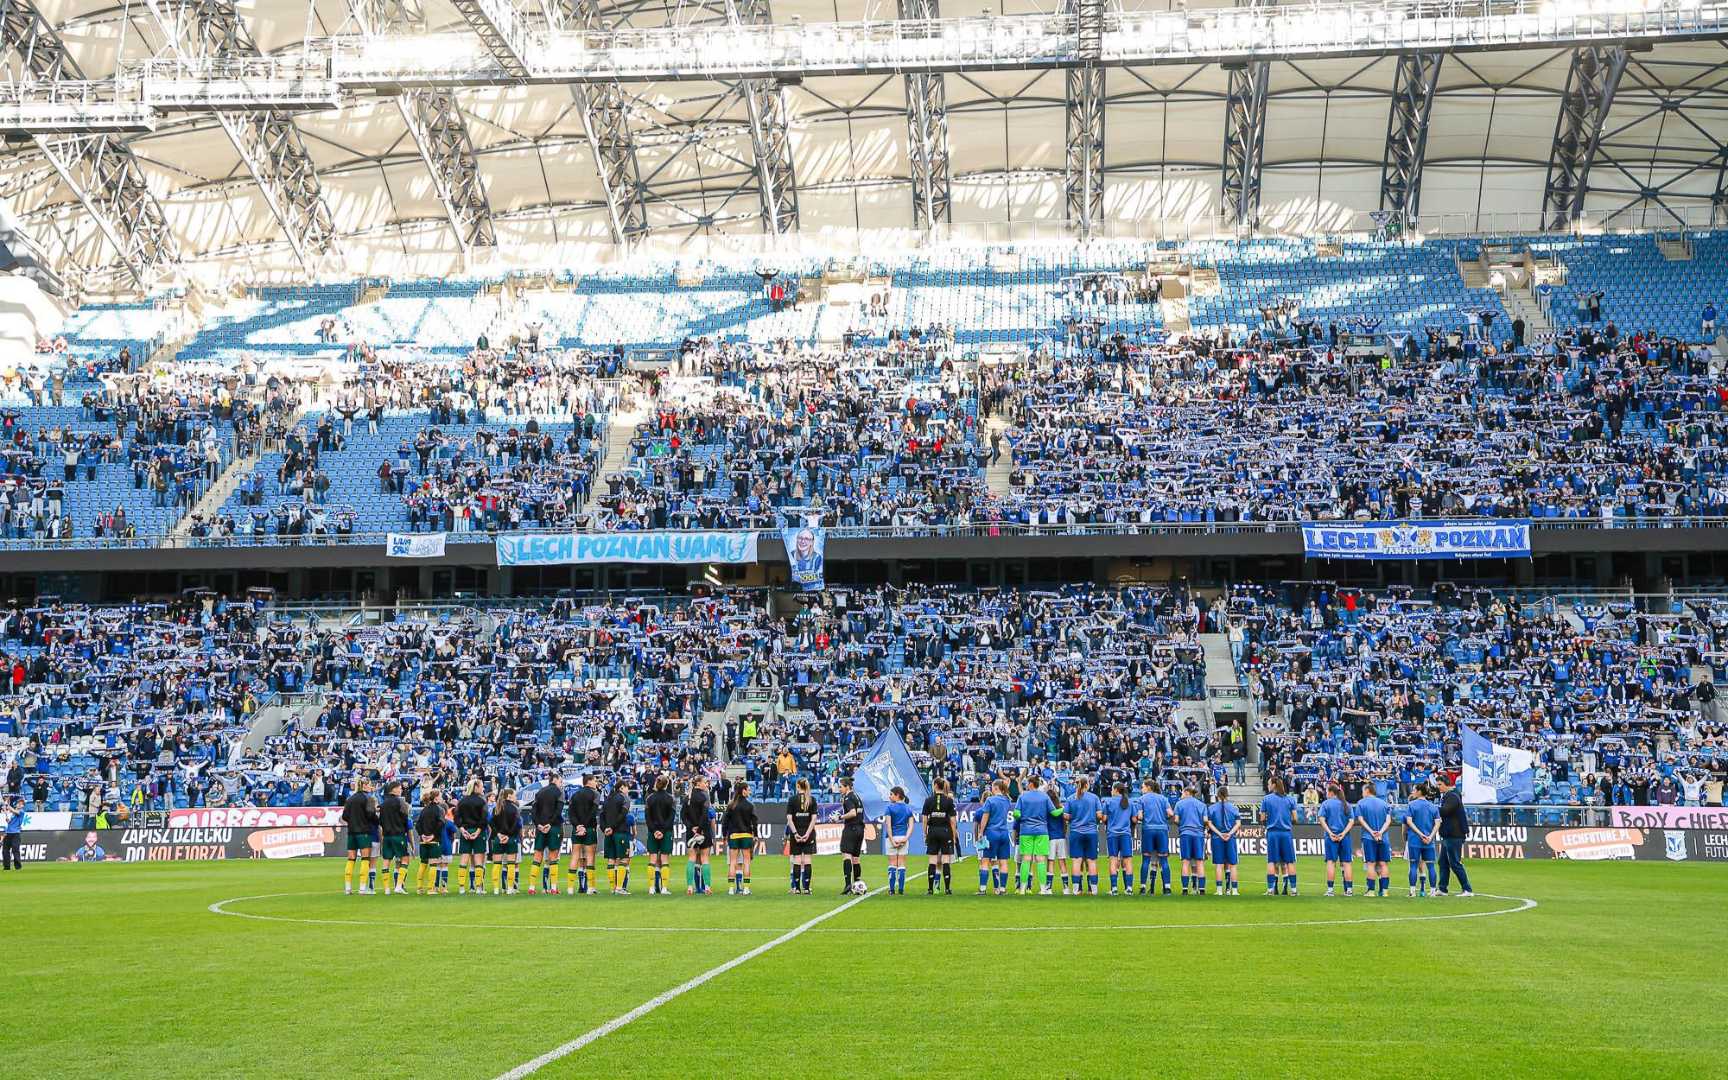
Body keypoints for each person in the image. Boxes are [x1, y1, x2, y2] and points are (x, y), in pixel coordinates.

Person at [1012, 775, 1059, 895]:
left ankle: (1022, 889)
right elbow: (1054, 812)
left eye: (1027, 783)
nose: (1026, 785)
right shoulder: (1044, 796)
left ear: (1031, 784)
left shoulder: (1023, 796)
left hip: (1026, 831)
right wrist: (1064, 808)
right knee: (1040, 859)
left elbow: (1016, 813)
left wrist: (1022, 816)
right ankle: (1043, 889)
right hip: (1042, 831)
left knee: (1026, 859)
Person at [1435, 775, 1474, 897]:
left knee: (1454, 862)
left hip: (1454, 834)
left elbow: (1445, 811)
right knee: (1443, 862)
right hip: (1448, 834)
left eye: (1440, 785)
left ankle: (1467, 889)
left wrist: (1431, 808)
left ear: (1447, 784)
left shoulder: (1452, 796)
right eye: (1437, 785)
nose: (1438, 787)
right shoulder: (1448, 796)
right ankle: (1442, 888)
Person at [1134, 779, 1174, 896]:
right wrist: (1163, 817)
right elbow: (1171, 813)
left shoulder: (1142, 799)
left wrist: (1146, 817)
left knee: (1146, 859)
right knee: (1164, 859)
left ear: (1148, 787)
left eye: (1143, 787)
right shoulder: (1163, 798)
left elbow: (1140, 816)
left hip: (1148, 829)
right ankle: (1167, 888)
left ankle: (1142, 887)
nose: (1141, 789)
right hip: (1162, 830)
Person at [1260, 777, 1298, 896]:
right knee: (1290, 862)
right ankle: (1293, 890)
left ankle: (1270, 889)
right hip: (1286, 833)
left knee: (1272, 861)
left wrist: (1269, 821)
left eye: (1269, 783)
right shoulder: (1290, 799)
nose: (1268, 785)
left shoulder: (1266, 799)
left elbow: (1261, 818)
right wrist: (1286, 821)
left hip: (1272, 833)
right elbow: (1295, 818)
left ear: (1274, 785)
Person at [1354, 782, 1393, 897]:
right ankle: (1385, 891)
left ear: (1367, 790)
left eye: (1362, 791)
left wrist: (1372, 832)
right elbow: (1388, 821)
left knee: (1370, 864)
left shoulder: (1361, 803)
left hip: (1368, 838)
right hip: (1383, 837)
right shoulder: (1384, 803)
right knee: (1383, 864)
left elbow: (1360, 819)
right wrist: (1380, 832)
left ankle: (1371, 891)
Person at [975, 778, 1013, 895]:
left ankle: (982, 889)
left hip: (992, 832)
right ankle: (1002, 889)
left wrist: (981, 832)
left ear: (996, 788)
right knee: (1003, 862)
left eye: (992, 786)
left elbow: (985, 817)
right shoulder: (1007, 800)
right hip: (1004, 832)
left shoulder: (990, 800)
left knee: (985, 861)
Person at [341, 778, 379, 895]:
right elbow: (371, 815)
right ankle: (362, 888)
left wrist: (354, 821)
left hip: (352, 832)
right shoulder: (369, 799)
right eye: (369, 785)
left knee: (351, 859)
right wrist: (377, 820)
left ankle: (348, 888)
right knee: (365, 858)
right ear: (365, 785)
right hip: (364, 832)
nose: (371, 787)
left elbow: (345, 816)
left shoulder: (350, 799)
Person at [1319, 783, 1356, 897]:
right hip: (1345, 837)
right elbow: (1351, 821)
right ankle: (1349, 890)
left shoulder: (1326, 804)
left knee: (1331, 862)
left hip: (1331, 837)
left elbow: (1321, 819)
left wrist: (1330, 833)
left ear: (1331, 792)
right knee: (1347, 863)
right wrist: (1343, 833)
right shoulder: (1346, 804)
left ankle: (1330, 890)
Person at [643, 774, 679, 896]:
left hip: (653, 832)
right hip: (666, 832)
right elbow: (671, 818)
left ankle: (651, 888)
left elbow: (647, 818)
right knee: (664, 859)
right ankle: (664, 888)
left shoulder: (649, 798)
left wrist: (654, 831)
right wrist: (662, 831)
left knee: (652, 859)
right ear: (667, 784)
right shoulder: (671, 799)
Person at [528, 771, 563, 895]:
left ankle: (531, 887)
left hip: (540, 828)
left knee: (537, 856)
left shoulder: (540, 792)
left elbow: (533, 811)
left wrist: (539, 824)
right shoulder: (559, 792)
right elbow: (558, 810)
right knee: (553, 857)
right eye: (560, 781)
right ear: (555, 780)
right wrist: (550, 824)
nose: (561, 783)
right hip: (553, 828)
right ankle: (553, 887)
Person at [566, 773, 601, 896]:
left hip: (577, 829)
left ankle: (570, 888)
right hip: (589, 828)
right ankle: (590, 887)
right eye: (595, 780)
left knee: (575, 856)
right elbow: (593, 812)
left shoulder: (574, 795)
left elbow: (570, 814)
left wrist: (578, 826)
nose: (596, 783)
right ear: (589, 781)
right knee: (590, 857)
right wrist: (585, 826)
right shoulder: (595, 794)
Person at [1066, 776, 1101, 896]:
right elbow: (1100, 815)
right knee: (1091, 861)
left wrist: (1074, 818)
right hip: (1091, 832)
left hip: (1076, 832)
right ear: (1087, 785)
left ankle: (1076, 890)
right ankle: (1094, 890)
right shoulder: (1094, 798)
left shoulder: (1071, 798)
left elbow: (1066, 816)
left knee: (1076, 861)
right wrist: (1092, 819)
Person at [922, 777, 957, 895]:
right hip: (945, 831)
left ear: (936, 785)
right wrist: (953, 835)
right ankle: (947, 889)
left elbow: (925, 819)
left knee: (932, 860)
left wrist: (925, 833)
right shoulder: (949, 800)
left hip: (932, 831)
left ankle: (930, 889)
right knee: (945, 859)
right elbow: (953, 820)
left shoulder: (928, 800)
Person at [1404, 784, 1440, 897]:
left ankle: (1412, 891)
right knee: (1431, 866)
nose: (1413, 792)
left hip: (1415, 840)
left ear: (1419, 791)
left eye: (1414, 790)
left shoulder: (1411, 805)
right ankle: (1433, 891)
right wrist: (1430, 836)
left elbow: (1409, 822)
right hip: (1429, 841)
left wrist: (1420, 834)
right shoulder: (1433, 806)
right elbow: (1438, 823)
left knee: (1413, 865)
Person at [454, 780, 489, 895]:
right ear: (476, 787)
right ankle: (478, 888)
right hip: (478, 832)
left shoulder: (462, 801)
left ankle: (462, 888)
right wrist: (478, 832)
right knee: (479, 861)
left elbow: (457, 818)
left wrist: (462, 830)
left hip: (466, 832)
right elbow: (484, 818)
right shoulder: (482, 801)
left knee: (464, 860)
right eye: (482, 786)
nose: (483, 789)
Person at [1204, 785, 1240, 896]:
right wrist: (1229, 833)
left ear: (1217, 795)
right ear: (1227, 795)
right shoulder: (1234, 808)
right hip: (1230, 838)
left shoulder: (1211, 808)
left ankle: (1219, 890)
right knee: (1232, 864)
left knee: (1219, 864)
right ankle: (1234, 890)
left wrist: (1219, 834)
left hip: (1217, 838)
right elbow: (1238, 824)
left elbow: (1209, 824)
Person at [722, 781, 758, 895]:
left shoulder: (731, 805)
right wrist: (755, 835)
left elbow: (725, 822)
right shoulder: (750, 805)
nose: (749, 791)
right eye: (748, 789)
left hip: (734, 835)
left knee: (733, 862)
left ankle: (731, 889)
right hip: (746, 835)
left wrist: (724, 835)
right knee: (746, 862)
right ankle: (746, 888)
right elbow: (754, 822)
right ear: (743, 791)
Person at [683, 776, 716, 895]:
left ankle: (690, 886)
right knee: (705, 859)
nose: (706, 784)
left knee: (691, 858)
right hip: (703, 831)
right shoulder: (704, 796)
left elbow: (683, 816)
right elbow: (704, 815)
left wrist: (691, 827)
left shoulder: (687, 798)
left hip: (690, 831)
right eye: (705, 782)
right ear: (698, 783)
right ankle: (707, 886)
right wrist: (700, 829)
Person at [378, 780, 412, 895]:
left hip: (387, 836)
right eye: (399, 788)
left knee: (386, 861)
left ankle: (387, 888)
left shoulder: (383, 805)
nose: (401, 789)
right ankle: (398, 886)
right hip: (398, 835)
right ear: (394, 789)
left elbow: (381, 822)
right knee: (405, 859)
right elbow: (405, 820)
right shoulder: (401, 803)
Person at [601, 779, 635, 895]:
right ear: (621, 788)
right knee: (623, 859)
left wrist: (605, 828)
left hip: (608, 833)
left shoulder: (607, 799)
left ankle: (612, 888)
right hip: (620, 832)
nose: (627, 790)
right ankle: (619, 888)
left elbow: (601, 816)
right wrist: (613, 827)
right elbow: (622, 815)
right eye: (626, 787)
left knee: (611, 859)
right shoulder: (624, 799)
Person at [786, 778, 818, 895]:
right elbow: (813, 818)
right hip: (808, 834)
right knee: (808, 860)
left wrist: (795, 834)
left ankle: (797, 888)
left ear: (798, 786)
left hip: (796, 834)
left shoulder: (792, 799)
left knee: (797, 860)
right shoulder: (812, 799)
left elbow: (789, 818)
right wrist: (807, 834)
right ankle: (807, 888)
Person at [1173, 784, 1207, 896]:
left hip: (1185, 834)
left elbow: (1176, 820)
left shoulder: (1179, 804)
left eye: (1182, 793)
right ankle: (1201, 889)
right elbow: (1206, 820)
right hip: (1198, 834)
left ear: (1187, 792)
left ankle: (1184, 889)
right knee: (1200, 862)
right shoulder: (1202, 805)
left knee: (1185, 861)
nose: (1181, 795)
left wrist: (1183, 823)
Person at [880, 786, 915, 894]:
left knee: (892, 863)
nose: (889, 796)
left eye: (891, 794)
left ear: (897, 795)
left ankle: (891, 890)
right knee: (901, 863)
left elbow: (888, 825)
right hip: (903, 836)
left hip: (892, 837)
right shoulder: (908, 808)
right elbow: (911, 826)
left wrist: (891, 839)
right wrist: (906, 838)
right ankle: (901, 889)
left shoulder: (889, 808)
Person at [1105, 782, 1137, 896]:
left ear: (1116, 790)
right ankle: (1129, 888)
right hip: (1125, 834)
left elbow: (1104, 817)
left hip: (1112, 834)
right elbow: (1134, 820)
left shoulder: (1109, 801)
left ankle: (1114, 888)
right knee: (1128, 861)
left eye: (1112, 789)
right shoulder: (1130, 802)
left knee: (1113, 860)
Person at [489, 787, 522, 896]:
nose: (516, 797)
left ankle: (496, 889)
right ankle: (509, 888)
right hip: (511, 839)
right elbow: (517, 825)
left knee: (497, 864)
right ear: (509, 796)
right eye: (514, 795)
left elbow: (491, 823)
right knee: (511, 864)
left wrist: (499, 834)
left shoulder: (496, 808)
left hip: (498, 839)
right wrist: (508, 836)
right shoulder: (514, 808)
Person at [838, 776, 866, 895]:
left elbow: (852, 813)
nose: (839, 789)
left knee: (846, 855)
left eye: (841, 787)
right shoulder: (857, 797)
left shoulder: (848, 798)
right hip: (860, 828)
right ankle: (857, 883)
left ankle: (848, 884)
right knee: (856, 858)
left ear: (847, 787)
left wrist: (840, 817)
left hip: (851, 828)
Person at [414, 788, 444, 895]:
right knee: (433, 864)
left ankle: (419, 888)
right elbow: (441, 824)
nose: (441, 798)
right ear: (436, 798)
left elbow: (417, 825)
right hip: (433, 841)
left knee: (423, 863)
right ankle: (431, 888)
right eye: (440, 796)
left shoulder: (424, 810)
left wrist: (422, 835)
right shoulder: (439, 809)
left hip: (423, 841)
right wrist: (433, 835)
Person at [1045, 781, 1070, 895]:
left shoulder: (1046, 810)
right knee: (1062, 862)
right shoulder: (1061, 809)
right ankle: (1066, 888)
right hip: (1060, 837)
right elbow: (1065, 822)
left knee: (1050, 862)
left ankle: (1048, 888)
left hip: (1050, 838)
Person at [2, 796, 23, 870]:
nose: (20, 805)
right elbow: (11, 822)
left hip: (15, 834)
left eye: (21, 804)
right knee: (5, 851)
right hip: (8, 833)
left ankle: (18, 866)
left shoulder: (21, 812)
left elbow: (15, 811)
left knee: (15, 850)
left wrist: (7, 805)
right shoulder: (13, 814)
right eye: (19, 803)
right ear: (16, 804)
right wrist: (8, 820)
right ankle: (6, 867)